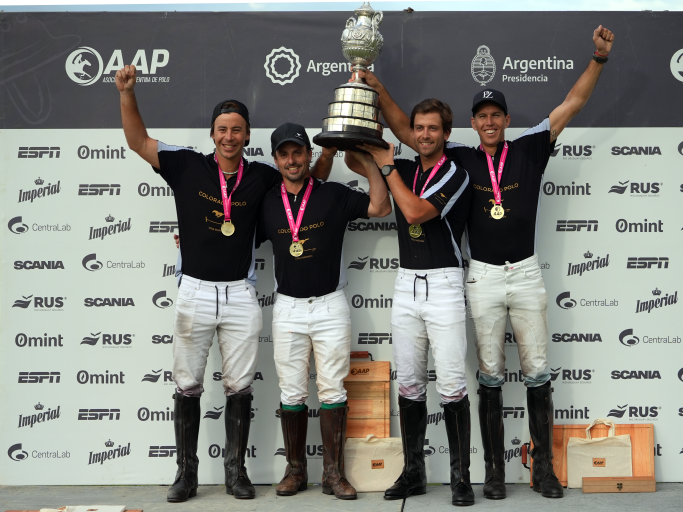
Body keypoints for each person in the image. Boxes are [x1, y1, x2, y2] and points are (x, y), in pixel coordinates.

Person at [350, 25, 615, 500]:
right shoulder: (460, 158)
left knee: (537, 371)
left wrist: (598, 59)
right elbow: (406, 130)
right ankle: (493, 473)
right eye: (482, 116)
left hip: (526, 271)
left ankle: (544, 470)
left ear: (507, 119)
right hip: (483, 276)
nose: (489, 122)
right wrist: (377, 87)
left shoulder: (531, 146)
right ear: (472, 124)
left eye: (496, 115)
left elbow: (571, 103)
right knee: (489, 374)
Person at [115, 64, 333, 503]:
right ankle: (186, 475)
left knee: (240, 387)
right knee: (187, 385)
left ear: (247, 135)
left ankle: (236, 473)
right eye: (222, 129)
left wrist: (330, 146)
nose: (229, 137)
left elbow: (309, 183)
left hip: (239, 293)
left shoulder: (264, 176)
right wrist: (127, 93)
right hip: (194, 290)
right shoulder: (187, 165)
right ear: (212, 134)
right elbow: (138, 141)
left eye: (237, 130)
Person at [345, 99, 474, 507]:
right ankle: (414, 473)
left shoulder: (455, 173)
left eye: (433, 128)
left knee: (451, 386)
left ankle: (461, 478)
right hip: (406, 284)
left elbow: (415, 212)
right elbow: (353, 160)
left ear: (446, 134)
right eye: (418, 128)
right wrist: (367, 139)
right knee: (410, 385)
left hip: (444, 283)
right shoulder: (404, 167)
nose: (424, 135)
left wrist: (387, 167)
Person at [256, 123, 391, 500]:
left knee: (332, 389)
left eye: (297, 152)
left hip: (330, 305)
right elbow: (234, 237)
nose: (291, 160)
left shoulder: (332, 193)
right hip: (288, 308)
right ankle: (295, 470)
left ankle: (333, 474)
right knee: (291, 391)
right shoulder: (267, 202)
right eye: (284, 154)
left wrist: (371, 162)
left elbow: (380, 207)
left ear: (309, 154)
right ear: (276, 160)